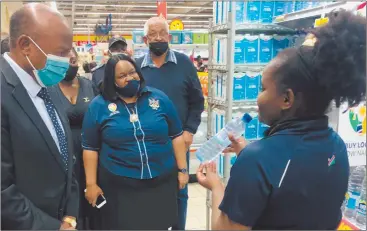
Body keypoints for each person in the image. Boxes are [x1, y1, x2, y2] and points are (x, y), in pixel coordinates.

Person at [197, 10, 366, 230]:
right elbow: (294, 187)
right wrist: (250, 154)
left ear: (287, 98)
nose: (258, 98)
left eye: (263, 88)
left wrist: (216, 185)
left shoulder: (257, 159)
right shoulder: (337, 146)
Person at [82, 54, 189, 230]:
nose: (129, 78)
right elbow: (90, 148)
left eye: (132, 72)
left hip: (161, 181)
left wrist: (183, 170)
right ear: (112, 81)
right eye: (122, 76)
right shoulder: (99, 106)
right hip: (120, 186)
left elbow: (176, 135)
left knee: (160, 225)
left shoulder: (158, 98)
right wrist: (91, 184)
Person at [1, 3, 79, 230]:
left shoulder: (46, 82)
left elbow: (66, 157)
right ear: (26, 45)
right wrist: (53, 227)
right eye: (61, 53)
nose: (67, 61)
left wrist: (70, 216)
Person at [136, 16, 205, 230]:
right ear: (145, 39)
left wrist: (189, 131)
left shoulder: (184, 64)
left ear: (169, 36)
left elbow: (197, 101)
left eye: (162, 34)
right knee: (148, 190)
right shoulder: (137, 67)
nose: (158, 38)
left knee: (180, 190)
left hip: (179, 142)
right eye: (153, 35)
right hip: (146, 143)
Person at [48, 47, 96, 230]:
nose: (70, 64)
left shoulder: (88, 85)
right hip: (63, 152)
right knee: (70, 194)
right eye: (65, 61)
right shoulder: (49, 89)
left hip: (91, 150)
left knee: (91, 192)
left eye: (73, 60)